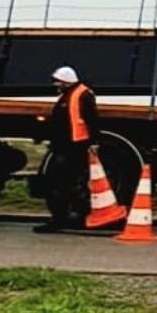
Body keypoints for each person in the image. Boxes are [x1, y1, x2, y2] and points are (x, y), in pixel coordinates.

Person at [35, 65, 101, 234]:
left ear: (65, 82)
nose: (55, 85)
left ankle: (62, 219)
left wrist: (93, 141)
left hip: (73, 146)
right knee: (68, 183)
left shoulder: (80, 95)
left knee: (59, 183)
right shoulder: (72, 94)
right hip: (68, 145)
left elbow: (91, 119)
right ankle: (74, 217)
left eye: (58, 81)